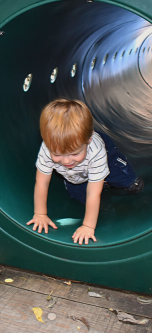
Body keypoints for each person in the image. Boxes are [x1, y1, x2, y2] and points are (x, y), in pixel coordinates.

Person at [27, 99, 144, 246]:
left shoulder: (96, 150)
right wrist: (40, 214)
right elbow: (42, 183)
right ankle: (98, 183)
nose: (66, 161)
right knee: (78, 195)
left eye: (74, 153)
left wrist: (88, 226)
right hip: (77, 174)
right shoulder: (48, 148)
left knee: (120, 176)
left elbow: (93, 193)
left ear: (88, 140)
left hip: (105, 158)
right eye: (58, 155)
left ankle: (125, 180)